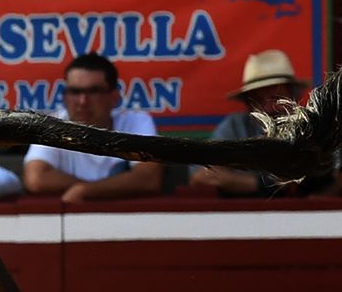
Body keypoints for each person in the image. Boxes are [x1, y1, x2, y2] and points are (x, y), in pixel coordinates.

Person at [21, 52, 160, 202]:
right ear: (65, 97)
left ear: (114, 97)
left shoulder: (136, 121)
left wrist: (86, 191)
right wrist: (99, 189)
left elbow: (149, 178)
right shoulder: (51, 125)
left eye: (93, 92)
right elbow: (36, 179)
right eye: (75, 92)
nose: (82, 101)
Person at [193, 50, 325, 197]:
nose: (268, 109)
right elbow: (201, 176)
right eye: (259, 101)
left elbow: (331, 179)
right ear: (248, 104)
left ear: (293, 96)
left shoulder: (314, 127)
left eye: (276, 98)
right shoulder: (236, 126)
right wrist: (263, 185)